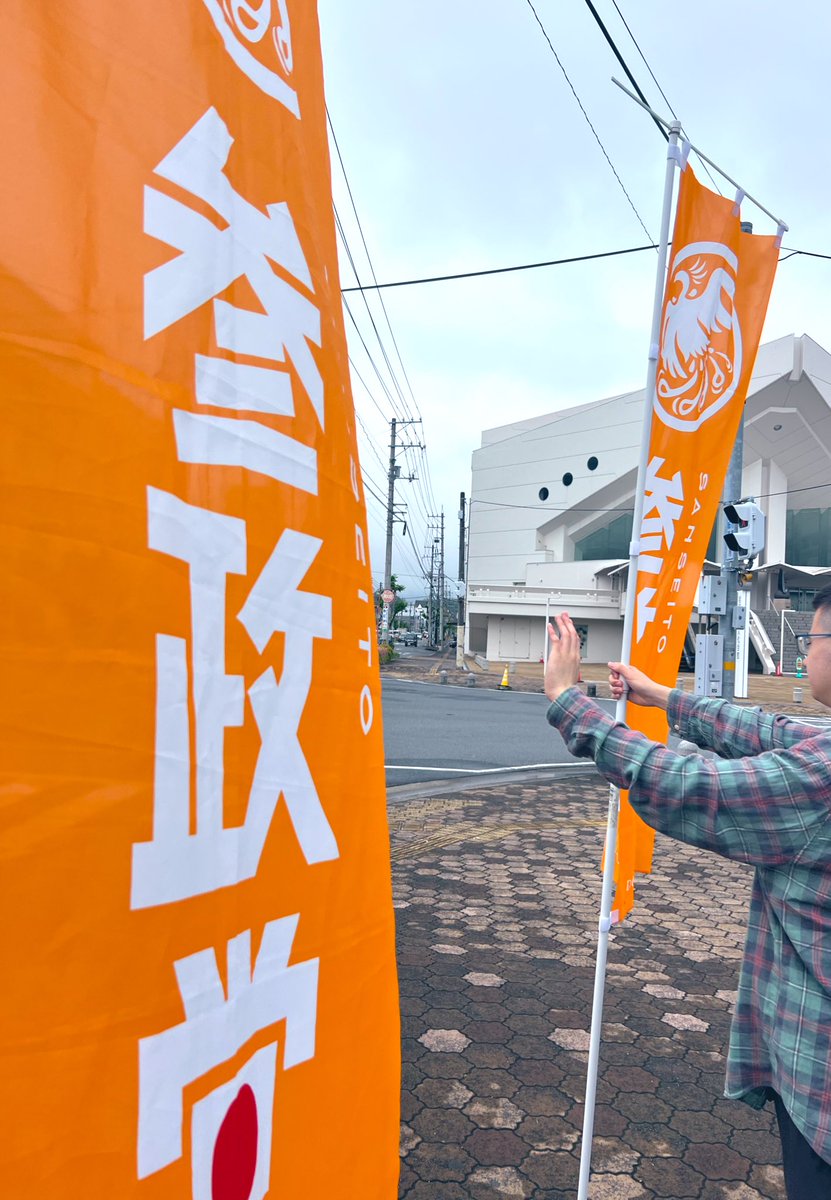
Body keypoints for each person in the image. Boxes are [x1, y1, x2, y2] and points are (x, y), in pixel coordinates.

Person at [543, 589, 831, 1200]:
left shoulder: (822, 779)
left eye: (814, 639)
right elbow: (775, 730)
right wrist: (665, 698)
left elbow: (689, 785)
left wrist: (570, 704)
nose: (805, 652)